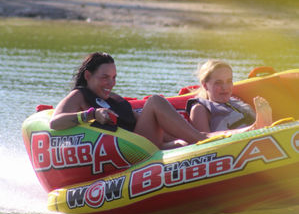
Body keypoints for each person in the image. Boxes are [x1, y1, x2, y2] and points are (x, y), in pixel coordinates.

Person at [50, 52, 213, 149]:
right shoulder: (79, 96)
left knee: (181, 145)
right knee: (155, 101)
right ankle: (204, 142)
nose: (111, 83)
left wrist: (185, 137)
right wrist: (90, 115)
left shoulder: (114, 99)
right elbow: (55, 123)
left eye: (114, 77)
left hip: (144, 148)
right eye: (105, 77)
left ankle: (202, 140)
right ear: (88, 76)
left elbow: (143, 122)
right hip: (127, 150)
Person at [186, 59, 273, 133]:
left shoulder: (235, 102)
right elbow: (202, 143)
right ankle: (258, 126)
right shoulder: (199, 110)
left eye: (229, 81)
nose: (225, 87)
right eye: (218, 83)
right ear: (205, 85)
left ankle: (264, 125)